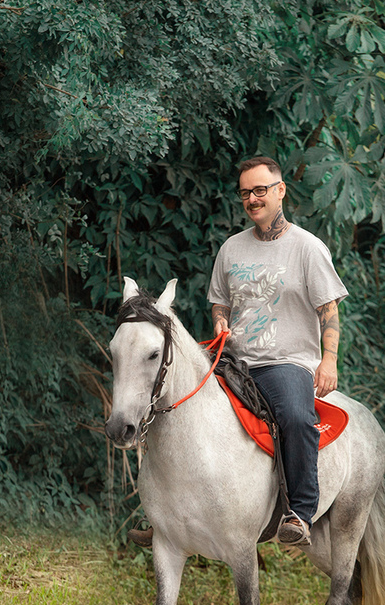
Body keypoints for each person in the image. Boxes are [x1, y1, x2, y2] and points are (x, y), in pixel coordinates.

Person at [128, 156, 346, 548]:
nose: (252, 199)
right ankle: (163, 515)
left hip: (285, 361)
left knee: (296, 418)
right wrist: (220, 321)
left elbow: (328, 310)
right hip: (232, 358)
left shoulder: (308, 248)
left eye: (260, 190)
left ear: (280, 191)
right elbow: (221, 302)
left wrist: (328, 360)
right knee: (170, 401)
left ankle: (299, 512)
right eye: (245, 193)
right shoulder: (231, 248)